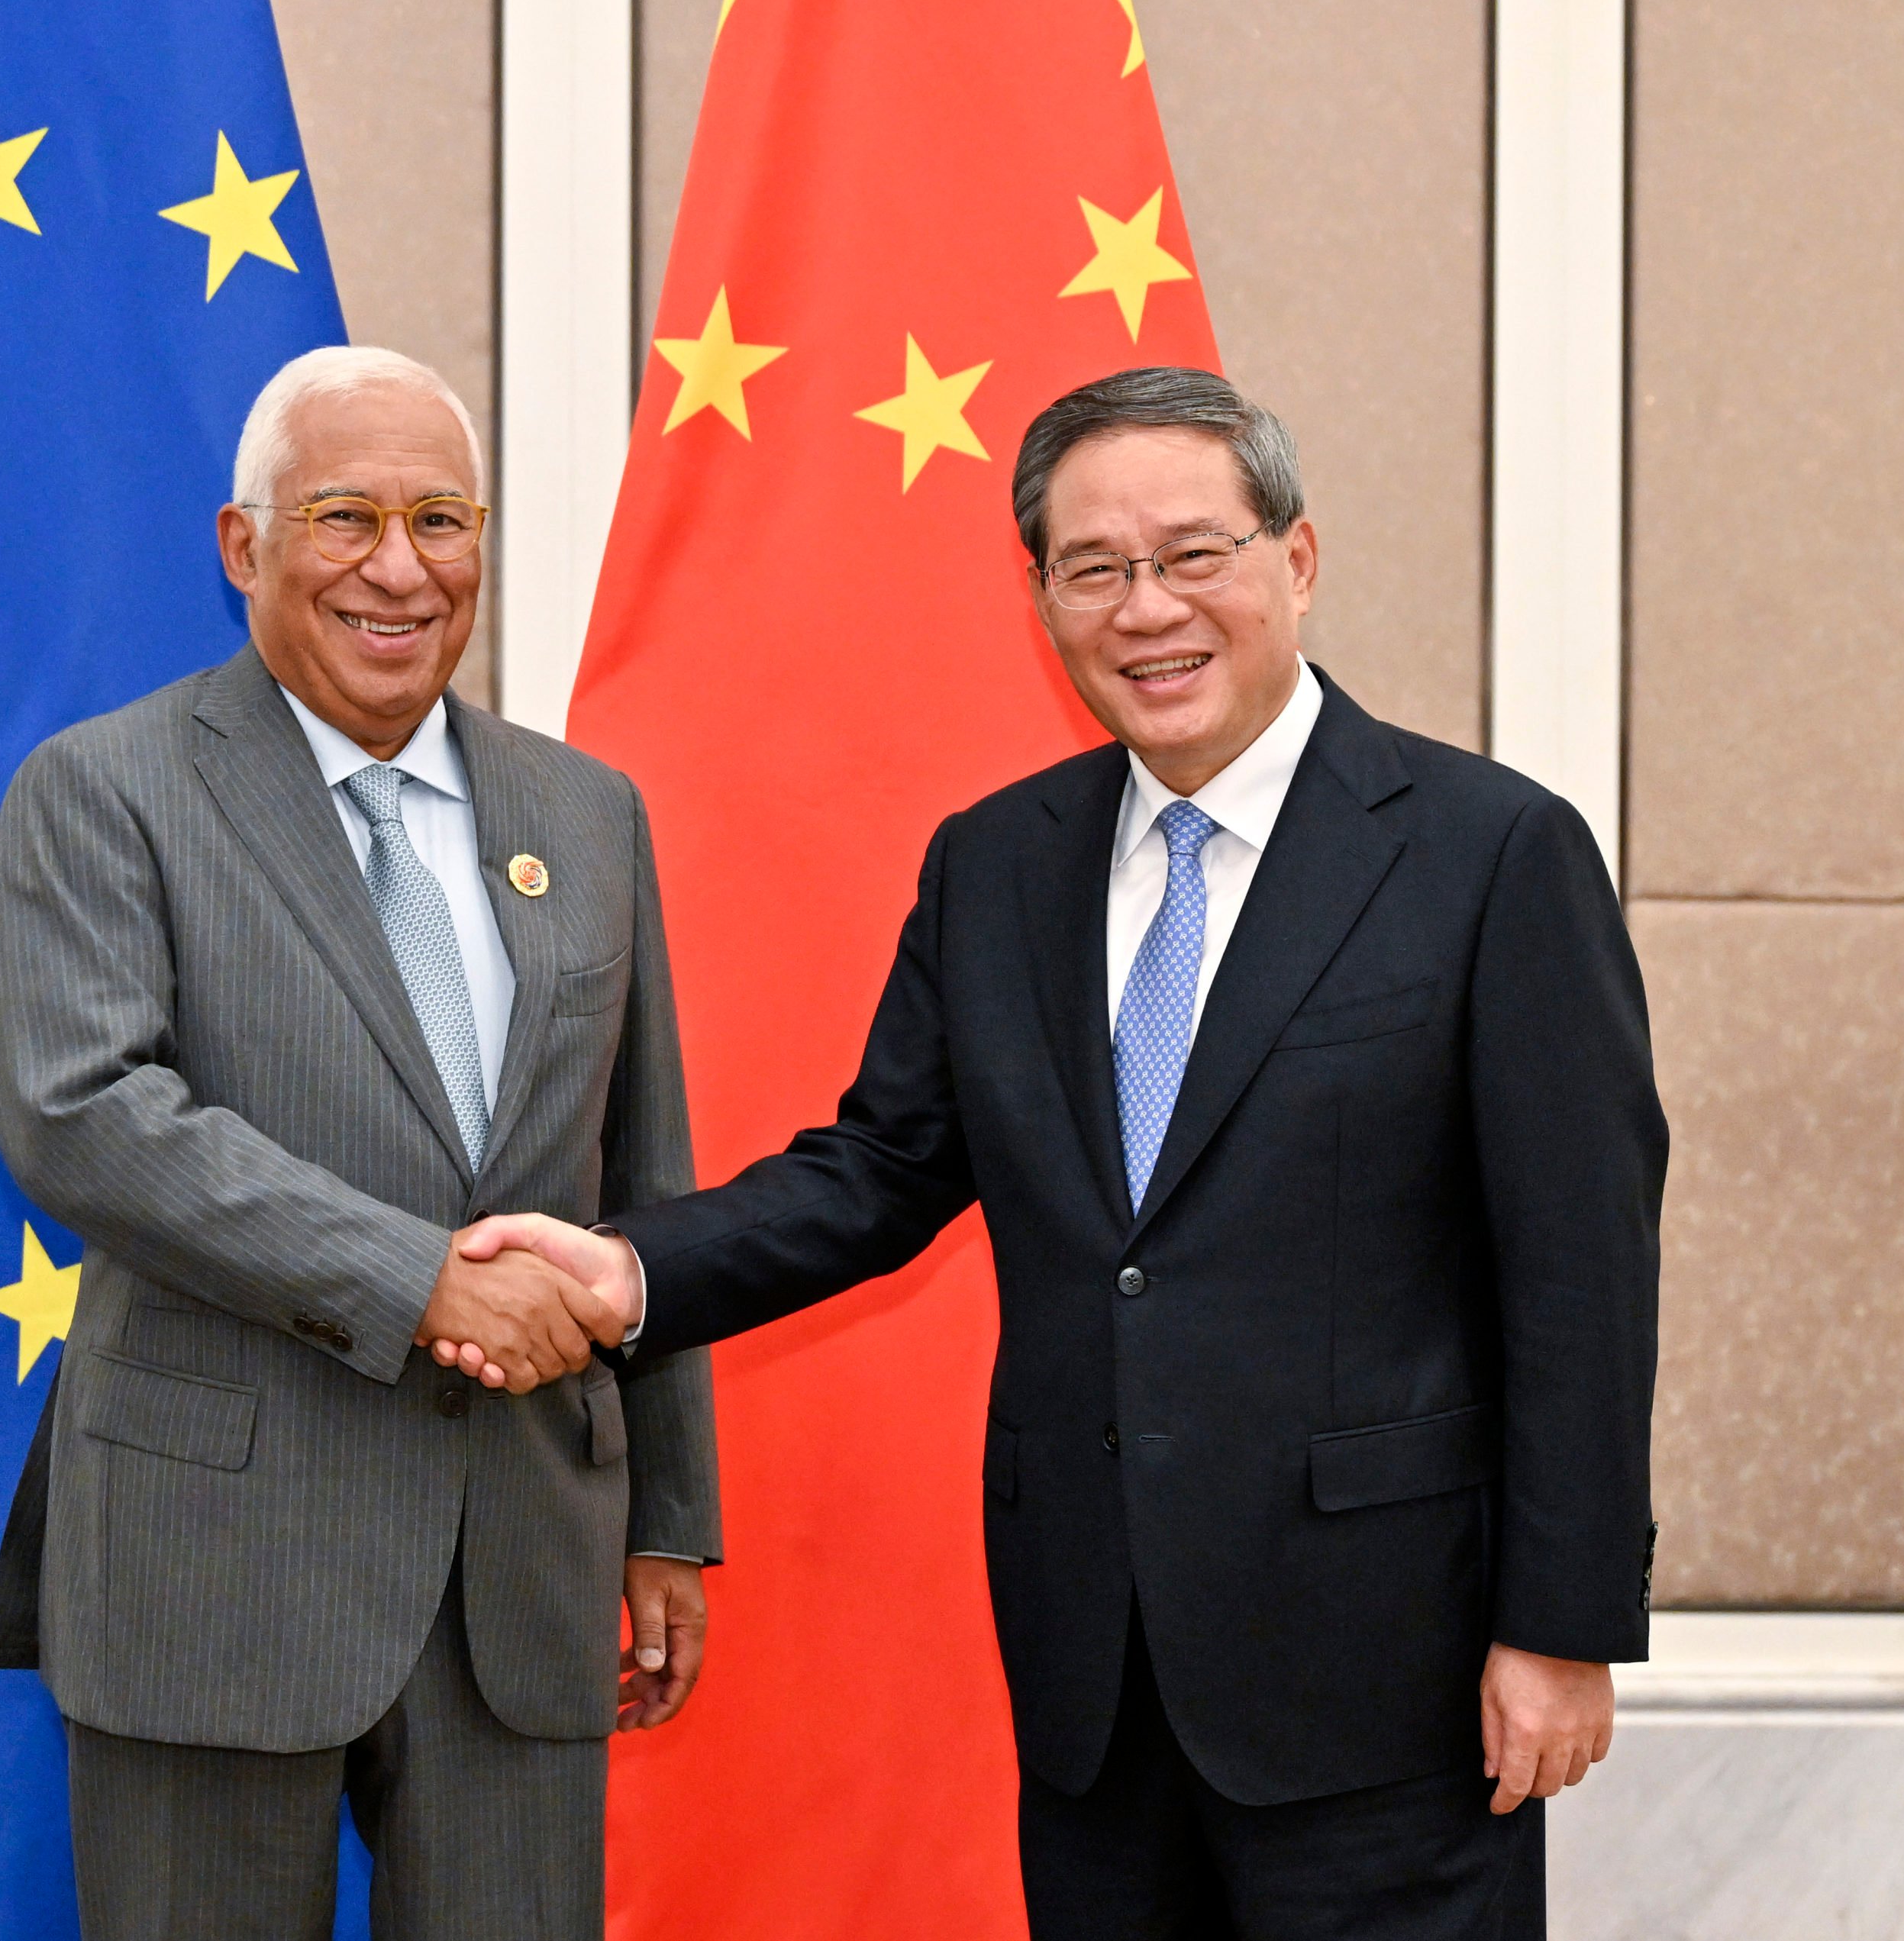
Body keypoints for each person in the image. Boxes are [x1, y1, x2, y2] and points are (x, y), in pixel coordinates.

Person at [449, 366, 1664, 1938]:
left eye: (1193, 553)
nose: (1146, 606)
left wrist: (1560, 1626)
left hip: (1392, 1675)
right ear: (1039, 600)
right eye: (1093, 567)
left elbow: (1580, 1271)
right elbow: (878, 1171)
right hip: (1095, 1673)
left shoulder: (1490, 852)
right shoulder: (997, 865)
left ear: (1295, 560)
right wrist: (625, 1272)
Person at [0, 344, 719, 1941]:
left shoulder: (586, 814)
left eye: (440, 519)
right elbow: (85, 1115)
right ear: (244, 546)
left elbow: (643, 1176)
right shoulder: (104, 790)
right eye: (345, 518)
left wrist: (665, 1516)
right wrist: (420, 1280)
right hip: (214, 1562)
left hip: (524, 1566)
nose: (400, 567)